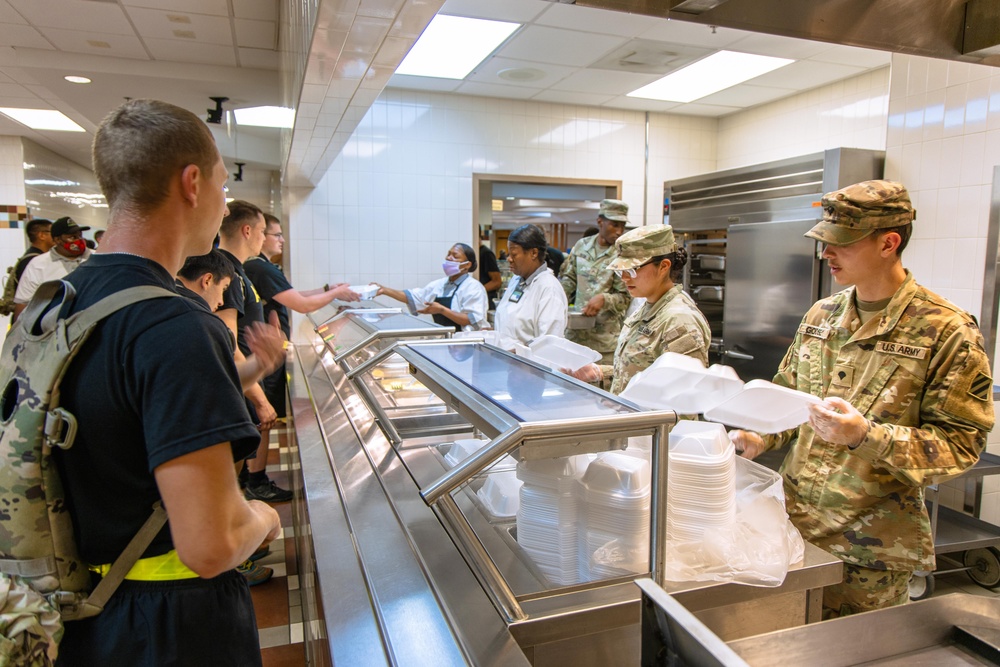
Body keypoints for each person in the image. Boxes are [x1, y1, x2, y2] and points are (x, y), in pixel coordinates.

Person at [53, 99, 280, 665]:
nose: (223, 205)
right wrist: (267, 518)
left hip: (78, 605)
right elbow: (212, 543)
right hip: (171, 622)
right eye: (224, 187)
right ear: (192, 182)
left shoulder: (58, 303)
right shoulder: (176, 323)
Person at [731, 180, 994, 619]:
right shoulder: (822, 316)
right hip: (790, 526)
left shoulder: (946, 331)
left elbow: (961, 444)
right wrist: (759, 436)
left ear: (889, 243)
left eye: (841, 244)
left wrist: (866, 436)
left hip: (869, 551)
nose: (826, 254)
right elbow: (790, 401)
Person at [244, 213, 359, 497]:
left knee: (261, 419)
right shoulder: (259, 267)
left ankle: (249, 477)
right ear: (253, 233)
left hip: (268, 352)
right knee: (262, 418)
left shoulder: (263, 267)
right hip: (264, 354)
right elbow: (303, 305)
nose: (281, 239)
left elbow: (294, 295)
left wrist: (326, 290)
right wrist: (336, 294)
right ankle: (255, 481)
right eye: (275, 234)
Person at [568, 225, 710, 394]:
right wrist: (599, 373)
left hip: (651, 421)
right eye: (622, 272)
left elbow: (685, 397)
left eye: (632, 270)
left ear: (664, 266)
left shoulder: (679, 320)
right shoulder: (647, 308)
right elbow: (643, 373)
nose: (625, 278)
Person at [217, 201, 293, 504]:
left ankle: (249, 491)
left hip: (248, 375)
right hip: (243, 381)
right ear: (247, 230)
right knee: (233, 472)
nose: (265, 238)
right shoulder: (227, 273)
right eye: (263, 231)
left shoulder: (239, 272)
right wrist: (259, 398)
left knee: (241, 463)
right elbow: (228, 341)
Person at [559, 199, 632, 364]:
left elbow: (626, 297)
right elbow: (569, 280)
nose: (620, 231)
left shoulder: (623, 254)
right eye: (615, 225)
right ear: (600, 222)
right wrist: (557, 300)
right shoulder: (581, 246)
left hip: (604, 342)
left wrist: (604, 299)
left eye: (622, 226)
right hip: (576, 336)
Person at [376, 243, 488, 331]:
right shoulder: (439, 285)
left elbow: (471, 319)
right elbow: (413, 297)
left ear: (467, 264)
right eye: (448, 254)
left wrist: (442, 310)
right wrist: (385, 290)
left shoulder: (473, 287)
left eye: (455, 256)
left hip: (467, 344)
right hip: (446, 340)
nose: (449, 258)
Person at [493, 224, 567, 348]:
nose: (509, 259)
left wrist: (517, 353)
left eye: (514, 254)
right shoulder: (516, 280)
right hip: (507, 361)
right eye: (508, 254)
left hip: (527, 365)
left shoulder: (549, 289)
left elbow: (549, 343)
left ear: (533, 253)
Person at [12, 216, 92, 321]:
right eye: (72, 237)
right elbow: (23, 303)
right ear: (57, 240)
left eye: (80, 236)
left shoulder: (96, 257)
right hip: (53, 328)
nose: (79, 240)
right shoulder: (38, 264)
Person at [478, 229, 502, 304]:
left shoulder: (486, 253)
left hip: (487, 299)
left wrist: (478, 291)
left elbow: (497, 282)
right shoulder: (476, 252)